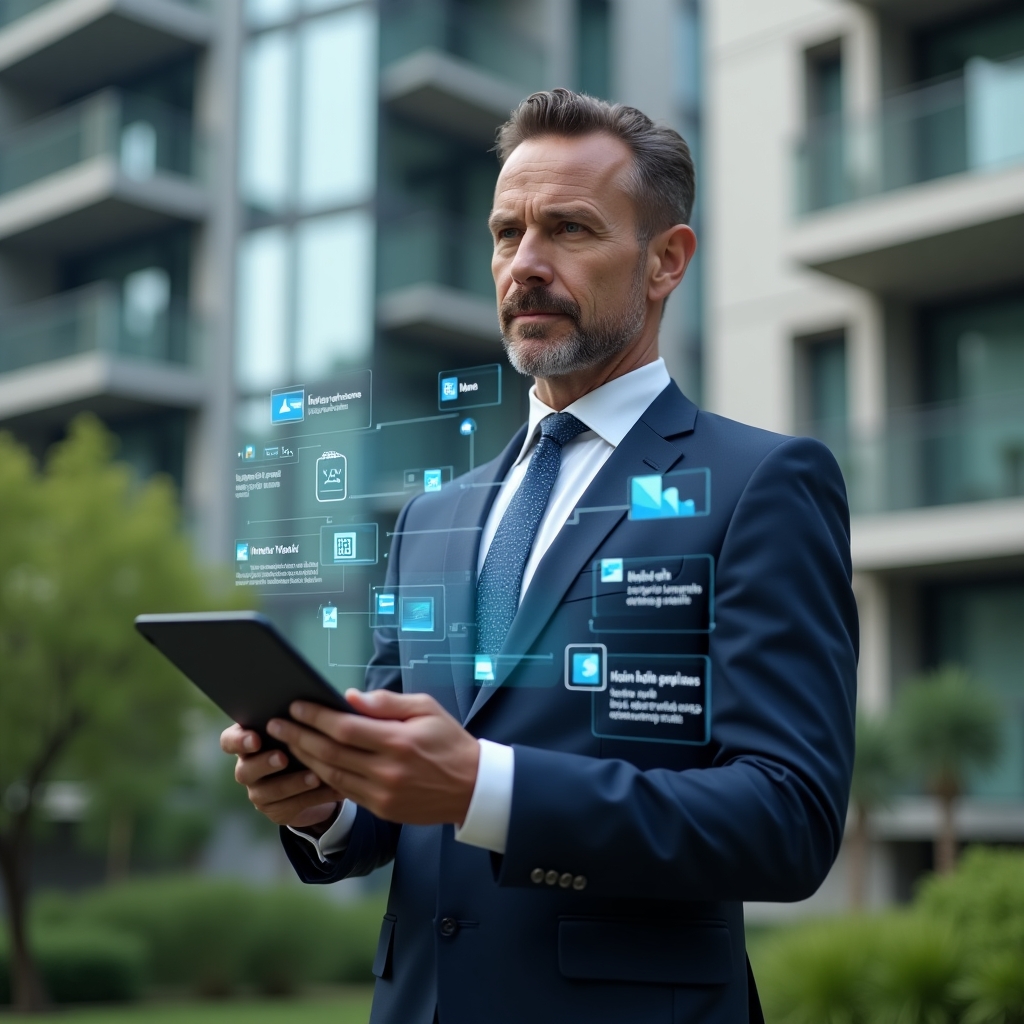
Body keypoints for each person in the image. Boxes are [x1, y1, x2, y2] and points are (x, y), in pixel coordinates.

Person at [221, 89, 858, 1024]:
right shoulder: (431, 516)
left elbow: (787, 819)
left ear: (665, 262)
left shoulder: (764, 482)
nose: (526, 264)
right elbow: (399, 813)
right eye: (507, 232)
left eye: (569, 229)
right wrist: (326, 802)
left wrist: (489, 785)